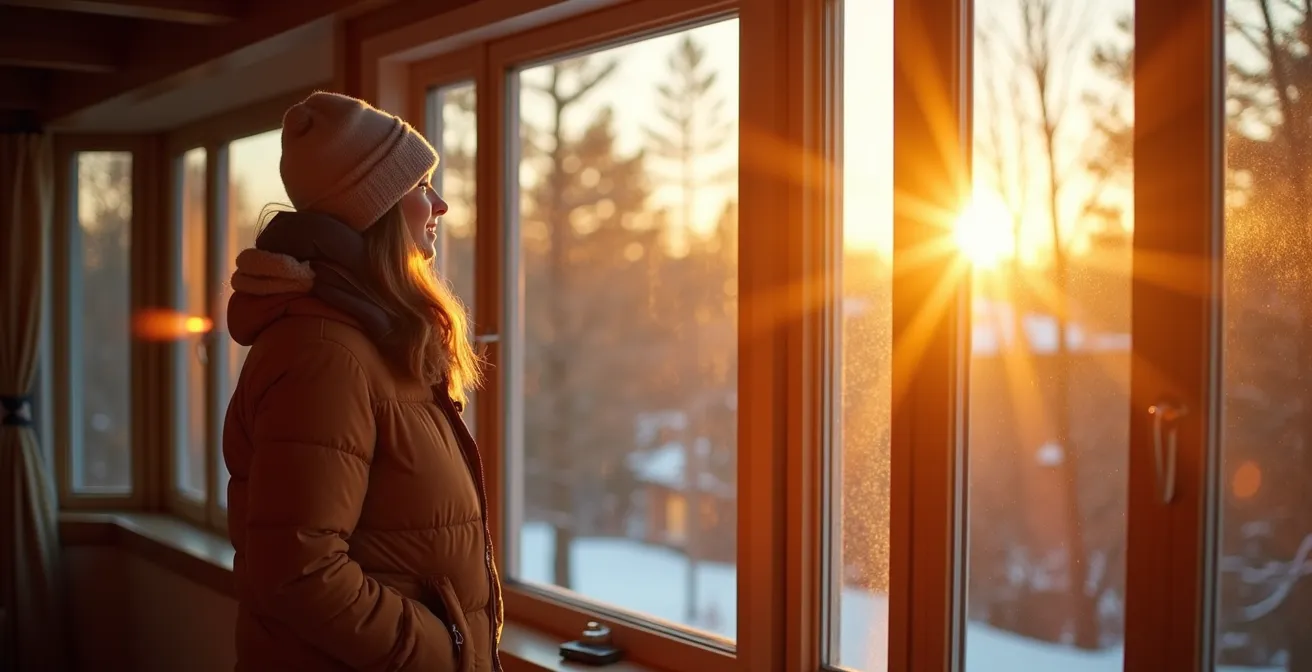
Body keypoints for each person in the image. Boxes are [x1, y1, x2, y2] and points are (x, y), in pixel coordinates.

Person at [222, 90, 501, 671]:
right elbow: (302, 572)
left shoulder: (371, 339)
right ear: (377, 210)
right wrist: (445, 649)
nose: (440, 205)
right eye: (422, 187)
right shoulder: (323, 356)